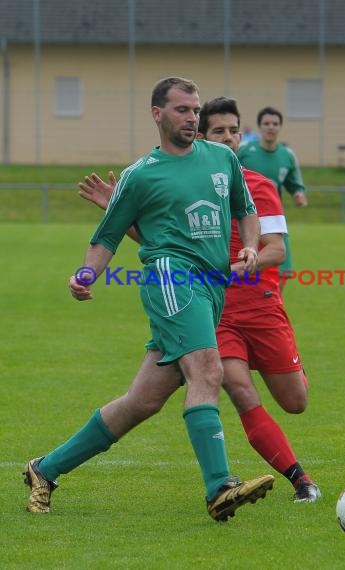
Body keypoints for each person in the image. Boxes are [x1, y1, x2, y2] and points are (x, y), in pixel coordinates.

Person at [23, 77, 275, 522]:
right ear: (157, 114)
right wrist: (85, 275)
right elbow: (106, 237)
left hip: (210, 287)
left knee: (142, 401)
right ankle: (220, 487)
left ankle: (45, 469)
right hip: (169, 279)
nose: (192, 118)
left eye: (196, 110)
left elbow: (246, 210)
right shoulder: (141, 175)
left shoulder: (222, 160)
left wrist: (251, 246)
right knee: (207, 368)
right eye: (182, 110)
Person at [78, 97, 320, 503]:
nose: (227, 138)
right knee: (229, 384)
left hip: (260, 305)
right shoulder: (182, 179)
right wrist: (120, 212)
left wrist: (247, 258)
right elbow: (165, 244)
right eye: (218, 131)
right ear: (202, 139)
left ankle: (46, 468)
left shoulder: (257, 186)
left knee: (295, 401)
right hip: (210, 309)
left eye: (233, 131)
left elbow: (276, 249)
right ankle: (293, 480)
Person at [237, 106, 307, 280]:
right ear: (260, 126)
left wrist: (298, 193)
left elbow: (294, 183)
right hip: (246, 221)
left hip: (274, 222)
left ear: (280, 127)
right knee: (246, 275)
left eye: (275, 123)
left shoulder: (287, 155)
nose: (271, 127)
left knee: (281, 275)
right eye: (266, 123)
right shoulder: (244, 150)